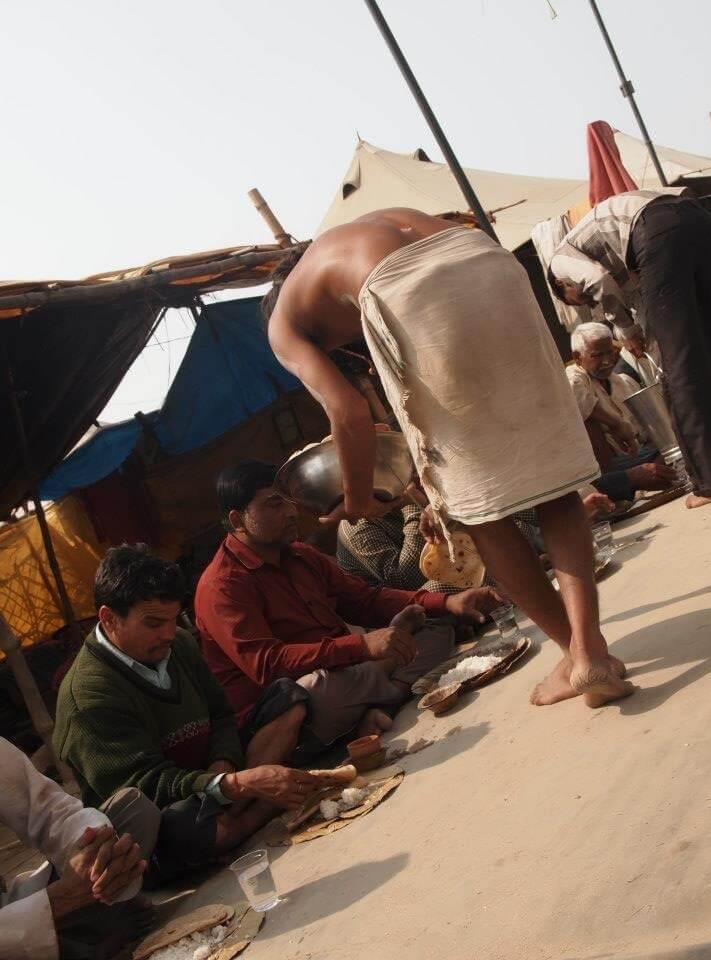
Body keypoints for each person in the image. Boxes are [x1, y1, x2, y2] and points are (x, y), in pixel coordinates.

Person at [262, 207, 634, 708]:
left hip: (406, 288)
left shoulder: (282, 326)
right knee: (554, 484)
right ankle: (591, 649)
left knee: (479, 511)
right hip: (485, 258)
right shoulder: (347, 240)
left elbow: (347, 412)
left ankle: (578, 655)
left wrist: (356, 501)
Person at [54, 545, 332, 881]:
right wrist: (233, 784)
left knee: (288, 698)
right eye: (154, 623)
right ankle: (261, 806)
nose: (168, 634)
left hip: (214, 782)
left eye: (174, 619)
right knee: (187, 827)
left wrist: (223, 766)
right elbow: (143, 787)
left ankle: (246, 809)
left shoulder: (180, 644)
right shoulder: (87, 696)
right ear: (109, 618)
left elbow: (221, 716)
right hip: (165, 812)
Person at [194, 461, 502, 746]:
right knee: (317, 691)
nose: (291, 512)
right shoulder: (222, 586)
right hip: (298, 704)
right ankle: (387, 686)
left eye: (289, 501)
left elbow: (365, 599)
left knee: (433, 624)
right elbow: (268, 666)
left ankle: (379, 702)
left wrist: (447, 602)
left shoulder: (300, 554)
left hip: (351, 671)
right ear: (238, 520)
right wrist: (363, 646)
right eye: (275, 504)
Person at [547, 188, 711, 508]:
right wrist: (643, 335)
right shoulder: (621, 255)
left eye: (579, 298)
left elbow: (598, 281)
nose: (588, 302)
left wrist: (626, 331)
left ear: (561, 285)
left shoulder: (560, 262)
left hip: (655, 227)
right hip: (694, 215)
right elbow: (643, 304)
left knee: (680, 366)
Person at [0, 736, 156, 960]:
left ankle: (82, 935)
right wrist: (59, 900)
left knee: (133, 807)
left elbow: (48, 810)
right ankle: (85, 938)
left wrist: (94, 855)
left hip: (16, 907)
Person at [566, 322, 658, 472]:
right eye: (597, 355)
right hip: (609, 467)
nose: (607, 361)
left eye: (609, 352)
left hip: (641, 454)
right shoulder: (574, 377)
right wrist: (617, 424)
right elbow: (576, 397)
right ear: (578, 357)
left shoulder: (623, 382)